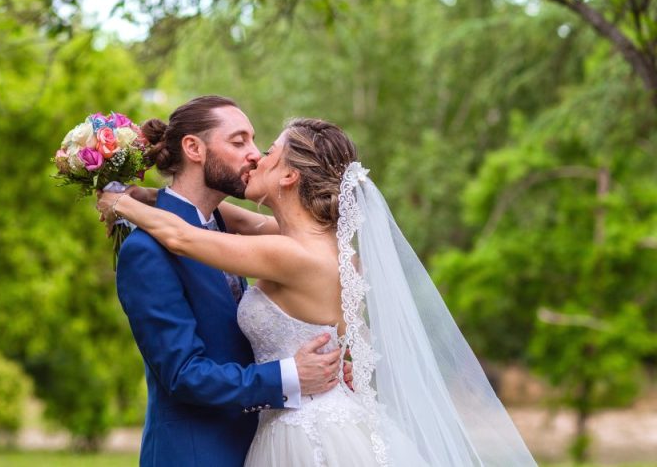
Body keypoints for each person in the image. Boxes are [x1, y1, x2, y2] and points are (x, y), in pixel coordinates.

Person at [98, 117, 538, 466]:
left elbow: (184, 237)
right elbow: (235, 220)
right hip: (314, 418)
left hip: (306, 434)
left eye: (268, 152)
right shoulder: (318, 244)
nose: (256, 158)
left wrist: (119, 202)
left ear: (290, 175)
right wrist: (152, 196)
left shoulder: (291, 255)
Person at [100, 96, 348, 467]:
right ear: (193, 149)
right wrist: (291, 375)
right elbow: (183, 375)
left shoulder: (232, 233)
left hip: (272, 444)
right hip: (197, 455)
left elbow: (193, 233)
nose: (254, 155)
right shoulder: (145, 250)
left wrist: (129, 201)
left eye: (257, 143)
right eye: (238, 141)